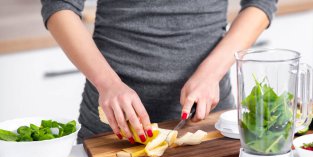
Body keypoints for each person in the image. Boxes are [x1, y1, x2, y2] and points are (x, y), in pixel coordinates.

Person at [41, 0, 277, 143]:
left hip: (209, 122)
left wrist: (212, 71)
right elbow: (59, 6)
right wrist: (107, 83)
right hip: (112, 125)